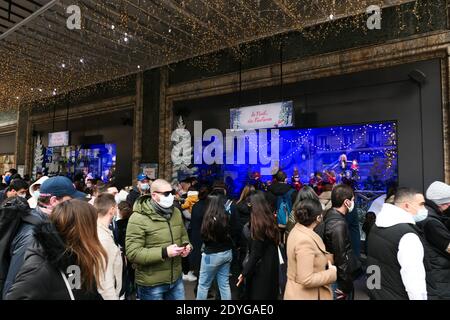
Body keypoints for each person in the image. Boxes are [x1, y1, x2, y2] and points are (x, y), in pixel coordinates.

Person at [2, 176, 86, 298]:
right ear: (53, 201)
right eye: (70, 200)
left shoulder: (53, 227)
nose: (75, 205)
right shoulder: (32, 235)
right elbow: (13, 287)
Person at [5, 199, 106, 300]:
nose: (96, 230)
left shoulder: (73, 258)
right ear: (81, 230)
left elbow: (79, 293)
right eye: (94, 225)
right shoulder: (40, 268)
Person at [126, 179, 191, 300]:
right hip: (152, 284)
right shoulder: (138, 218)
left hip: (176, 279)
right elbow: (133, 253)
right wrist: (164, 252)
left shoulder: (176, 212)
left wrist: (186, 246)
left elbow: (183, 236)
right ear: (154, 196)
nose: (171, 196)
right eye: (166, 194)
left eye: (172, 192)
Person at [367, 188, 428, 300]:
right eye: (421, 204)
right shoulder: (408, 236)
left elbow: (373, 265)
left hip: (378, 294)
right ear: (407, 206)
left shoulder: (377, 225)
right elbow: (414, 282)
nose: (424, 209)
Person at [315, 184, 361, 300]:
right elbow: (341, 258)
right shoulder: (338, 225)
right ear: (346, 202)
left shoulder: (329, 214)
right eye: (352, 200)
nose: (353, 203)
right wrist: (346, 286)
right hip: (338, 279)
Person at [284, 199, 337, 300]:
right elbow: (306, 279)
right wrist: (331, 273)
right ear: (318, 218)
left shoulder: (297, 229)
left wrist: (327, 258)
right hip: (304, 295)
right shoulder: (305, 241)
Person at [237, 191, 280, 300]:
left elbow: (256, 254)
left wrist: (244, 272)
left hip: (261, 270)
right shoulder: (269, 218)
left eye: (249, 204)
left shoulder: (258, 224)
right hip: (271, 265)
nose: (248, 207)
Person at [196, 194, 237, 300]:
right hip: (227, 253)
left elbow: (204, 237)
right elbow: (233, 232)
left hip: (212, 255)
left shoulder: (208, 218)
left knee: (203, 286)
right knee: (224, 285)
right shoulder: (226, 216)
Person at [417, 181, 450, 299]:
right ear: (441, 204)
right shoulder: (432, 223)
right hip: (440, 277)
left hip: (435, 274)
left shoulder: (426, 213)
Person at [94, 193, 123, 300]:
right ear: (112, 209)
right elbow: (105, 280)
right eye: (116, 207)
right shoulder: (103, 238)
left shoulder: (100, 230)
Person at [190, 186, 210, 282]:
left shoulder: (195, 205)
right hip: (204, 233)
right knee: (204, 255)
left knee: (197, 253)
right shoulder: (209, 206)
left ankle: (197, 272)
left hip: (195, 232)